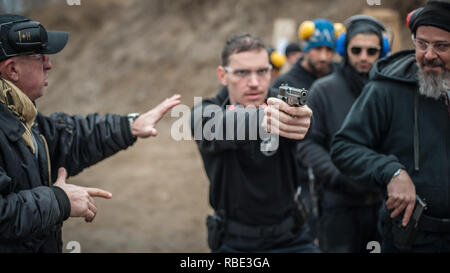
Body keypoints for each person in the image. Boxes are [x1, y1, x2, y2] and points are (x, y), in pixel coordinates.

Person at [0, 14, 180, 252]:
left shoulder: (20, 115)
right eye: (39, 57)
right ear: (12, 70)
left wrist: (129, 126)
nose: (49, 64)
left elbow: (70, 140)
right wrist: (59, 201)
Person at [330, 1, 450, 252]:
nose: (429, 55)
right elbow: (344, 147)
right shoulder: (386, 89)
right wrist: (391, 171)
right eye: (421, 44)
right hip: (410, 241)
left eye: (442, 46)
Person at [190, 33, 319, 253]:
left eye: (262, 71)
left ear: (271, 72)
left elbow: (307, 125)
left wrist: (306, 120)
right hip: (235, 242)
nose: (254, 82)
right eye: (242, 72)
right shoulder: (206, 111)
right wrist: (265, 119)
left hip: (291, 237)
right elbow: (212, 126)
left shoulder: (284, 105)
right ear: (223, 75)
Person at [297, 15, 390, 252]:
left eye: (371, 51)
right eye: (356, 50)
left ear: (383, 52)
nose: (363, 57)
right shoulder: (323, 90)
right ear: (344, 49)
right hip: (338, 207)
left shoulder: (390, 91)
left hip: (384, 207)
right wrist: (340, 177)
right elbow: (308, 144)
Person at [271, 18, 339, 241]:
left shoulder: (339, 76)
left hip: (337, 170)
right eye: (317, 49)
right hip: (301, 175)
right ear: (305, 49)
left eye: (328, 50)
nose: (323, 56)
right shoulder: (286, 83)